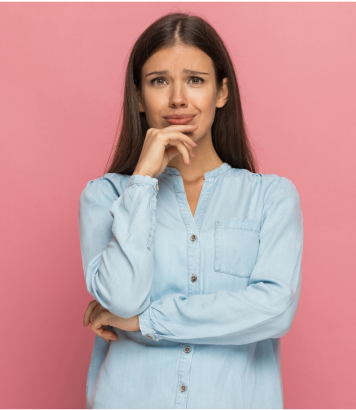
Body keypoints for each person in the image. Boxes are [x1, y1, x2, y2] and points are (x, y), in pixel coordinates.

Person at [78, 12, 304, 409]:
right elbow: (123, 298)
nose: (178, 98)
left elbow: (274, 310)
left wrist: (146, 323)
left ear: (221, 92)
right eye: (159, 81)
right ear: (138, 96)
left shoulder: (271, 197)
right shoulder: (106, 196)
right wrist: (143, 181)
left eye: (195, 80)